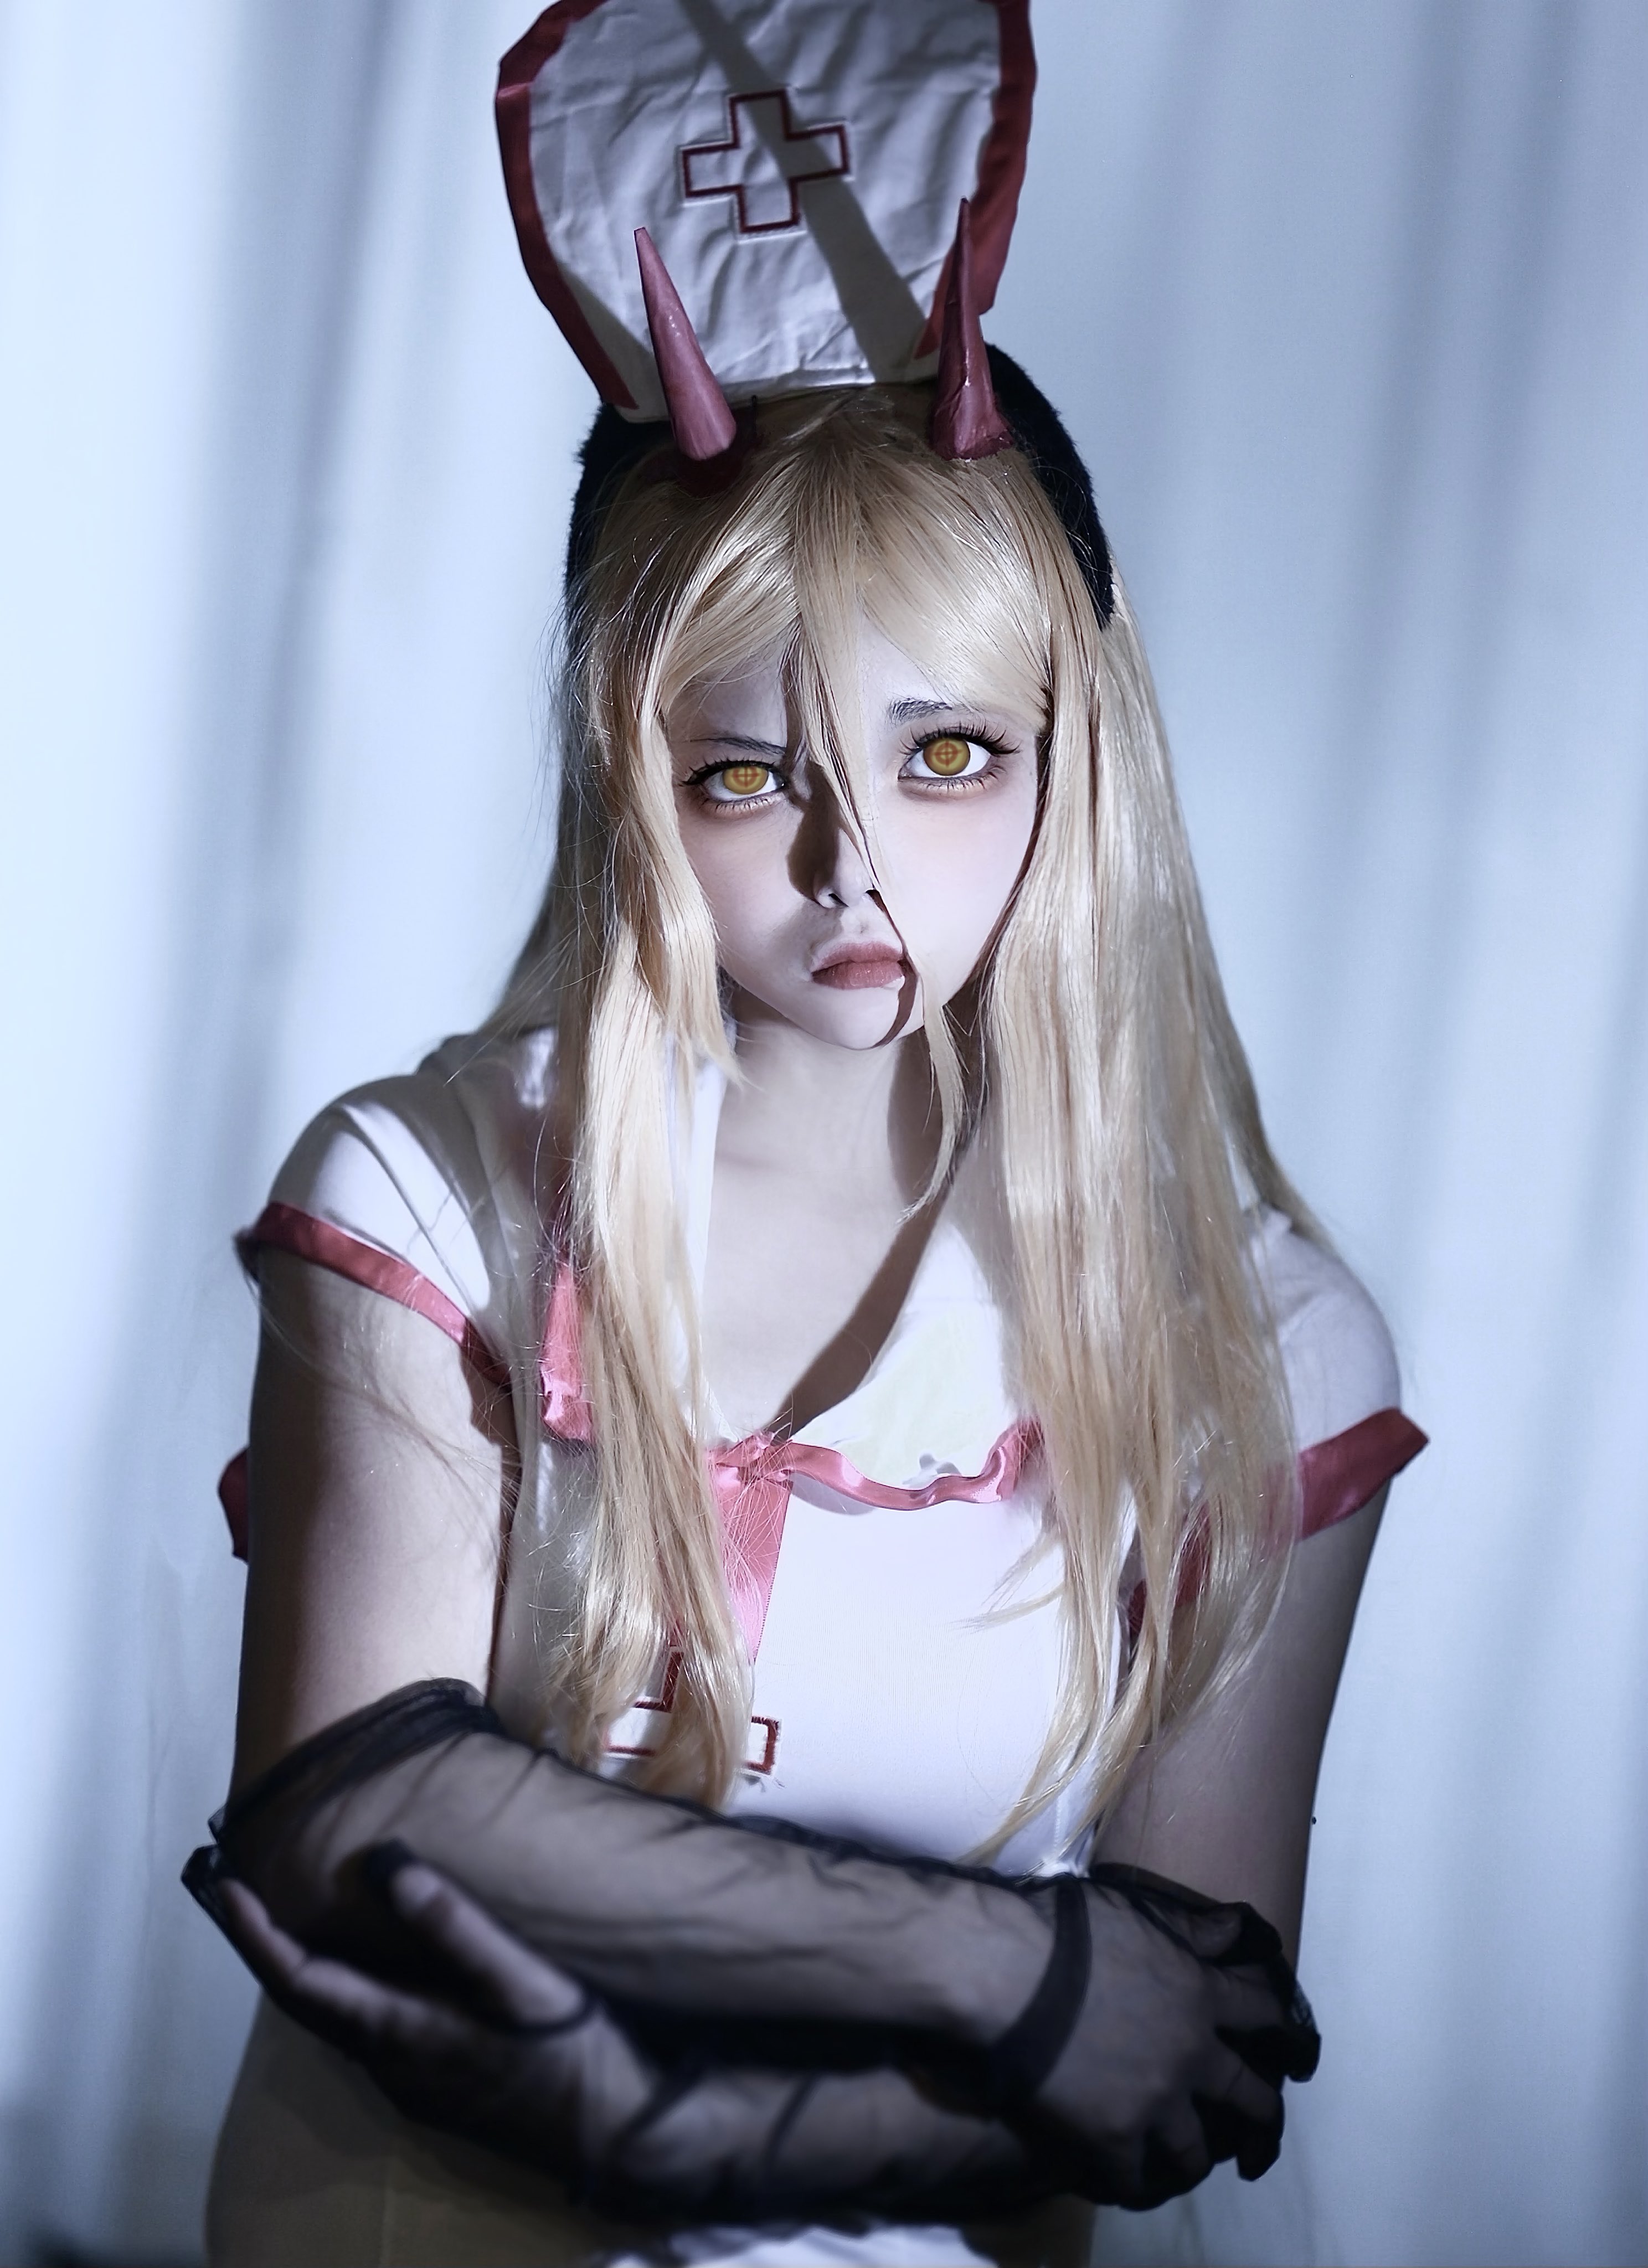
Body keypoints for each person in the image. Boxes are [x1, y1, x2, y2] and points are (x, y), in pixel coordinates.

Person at [187, 8, 1425, 2264]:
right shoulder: (431, 1197)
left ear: (1076, 754)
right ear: (626, 780)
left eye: (949, 755)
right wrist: (1010, 1971)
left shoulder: (1258, 1339)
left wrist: (710, 2139)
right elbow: (349, 1807)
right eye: (749, 775)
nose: (855, 868)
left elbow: (1193, 2040)